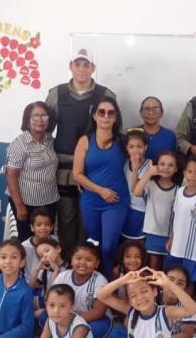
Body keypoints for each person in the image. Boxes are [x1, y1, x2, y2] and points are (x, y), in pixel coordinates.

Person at [46, 48, 116, 257]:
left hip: (93, 168)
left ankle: (87, 262)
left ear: (93, 68)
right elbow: (46, 130)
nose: (82, 69)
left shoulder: (105, 94)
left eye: (86, 64)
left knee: (88, 217)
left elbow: (112, 127)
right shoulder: (56, 93)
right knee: (66, 217)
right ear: (71, 67)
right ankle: (68, 262)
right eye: (77, 64)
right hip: (64, 168)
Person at [72, 96, 130, 274]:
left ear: (116, 117)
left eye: (111, 113)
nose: (106, 116)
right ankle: (94, 282)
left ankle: (108, 282)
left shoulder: (123, 141)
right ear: (95, 116)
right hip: (91, 200)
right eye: (101, 112)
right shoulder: (85, 141)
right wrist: (100, 190)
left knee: (109, 246)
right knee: (94, 244)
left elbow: (137, 165)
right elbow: (77, 174)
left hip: (116, 201)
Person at [5, 101, 59, 242]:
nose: (40, 120)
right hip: (26, 201)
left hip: (49, 199)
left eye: (44, 116)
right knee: (27, 240)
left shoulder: (50, 140)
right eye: (35, 116)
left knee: (46, 238)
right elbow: (11, 175)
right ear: (27, 120)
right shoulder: (19, 143)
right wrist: (20, 206)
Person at [96, 267, 196, 338]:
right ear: (130, 301)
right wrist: (123, 280)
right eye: (133, 295)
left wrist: (169, 283)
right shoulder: (130, 310)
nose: (140, 297)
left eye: (144, 291)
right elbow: (101, 295)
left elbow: (193, 309)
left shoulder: (165, 312)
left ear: (154, 291)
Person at [166, 155, 196, 284]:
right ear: (184, 172)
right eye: (190, 171)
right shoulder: (180, 192)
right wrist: (172, 237)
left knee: (188, 280)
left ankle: (186, 303)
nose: (192, 175)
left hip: (194, 250)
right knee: (171, 276)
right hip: (176, 246)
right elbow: (175, 216)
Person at [53, 241, 112, 337]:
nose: (83, 263)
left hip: (91, 318)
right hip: (66, 315)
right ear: (71, 260)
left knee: (97, 327)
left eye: (89, 260)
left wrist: (74, 320)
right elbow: (53, 299)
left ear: (96, 263)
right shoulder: (63, 276)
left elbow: (99, 311)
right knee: (46, 317)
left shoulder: (100, 281)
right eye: (78, 258)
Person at [133, 151, 179, 270]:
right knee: (152, 267)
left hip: (169, 236)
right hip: (152, 232)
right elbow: (136, 192)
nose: (166, 167)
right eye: (162, 164)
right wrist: (148, 173)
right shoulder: (151, 184)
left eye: (170, 165)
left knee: (166, 269)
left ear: (176, 169)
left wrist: (173, 235)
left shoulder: (178, 190)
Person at [0, 238, 34, 338]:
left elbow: (27, 326)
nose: (8, 261)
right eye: (3, 257)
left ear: (22, 262)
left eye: (14, 257)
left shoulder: (25, 292)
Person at [30, 238, 69, 327]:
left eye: (47, 251)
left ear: (58, 249)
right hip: (45, 301)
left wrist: (56, 271)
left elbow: (59, 292)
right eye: (41, 255)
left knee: (41, 316)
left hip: (59, 303)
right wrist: (37, 269)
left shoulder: (68, 268)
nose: (45, 256)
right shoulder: (45, 270)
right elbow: (31, 286)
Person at [122, 129, 151, 240]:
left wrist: (135, 169)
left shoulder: (150, 166)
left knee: (139, 244)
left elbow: (136, 191)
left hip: (142, 211)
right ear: (126, 148)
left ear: (145, 147)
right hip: (126, 210)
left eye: (139, 146)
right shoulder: (124, 163)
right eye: (131, 147)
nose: (135, 150)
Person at [22, 207, 57, 282]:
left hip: (52, 279)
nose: (43, 227)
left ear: (52, 227)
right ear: (32, 227)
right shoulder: (24, 247)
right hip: (31, 282)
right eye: (39, 225)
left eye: (47, 224)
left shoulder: (56, 241)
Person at [163, 265, 196, 338]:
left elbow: (187, 335)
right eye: (170, 280)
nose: (174, 285)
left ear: (185, 288)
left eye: (180, 283)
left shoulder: (189, 305)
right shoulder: (151, 298)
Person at [138, 96, 176, 161]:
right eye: (147, 109)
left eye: (155, 109)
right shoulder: (133, 133)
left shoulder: (169, 136)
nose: (150, 113)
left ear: (162, 113)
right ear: (140, 113)